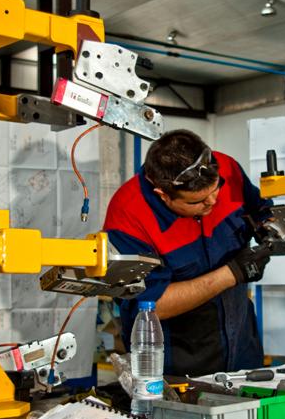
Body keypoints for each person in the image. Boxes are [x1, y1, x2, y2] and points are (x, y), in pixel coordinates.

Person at [103, 129, 272, 377]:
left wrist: (269, 226)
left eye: (216, 189)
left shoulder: (226, 166)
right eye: (197, 201)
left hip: (242, 345)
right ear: (163, 194)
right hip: (174, 362)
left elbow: (259, 209)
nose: (212, 202)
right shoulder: (127, 217)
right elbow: (150, 306)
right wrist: (232, 274)